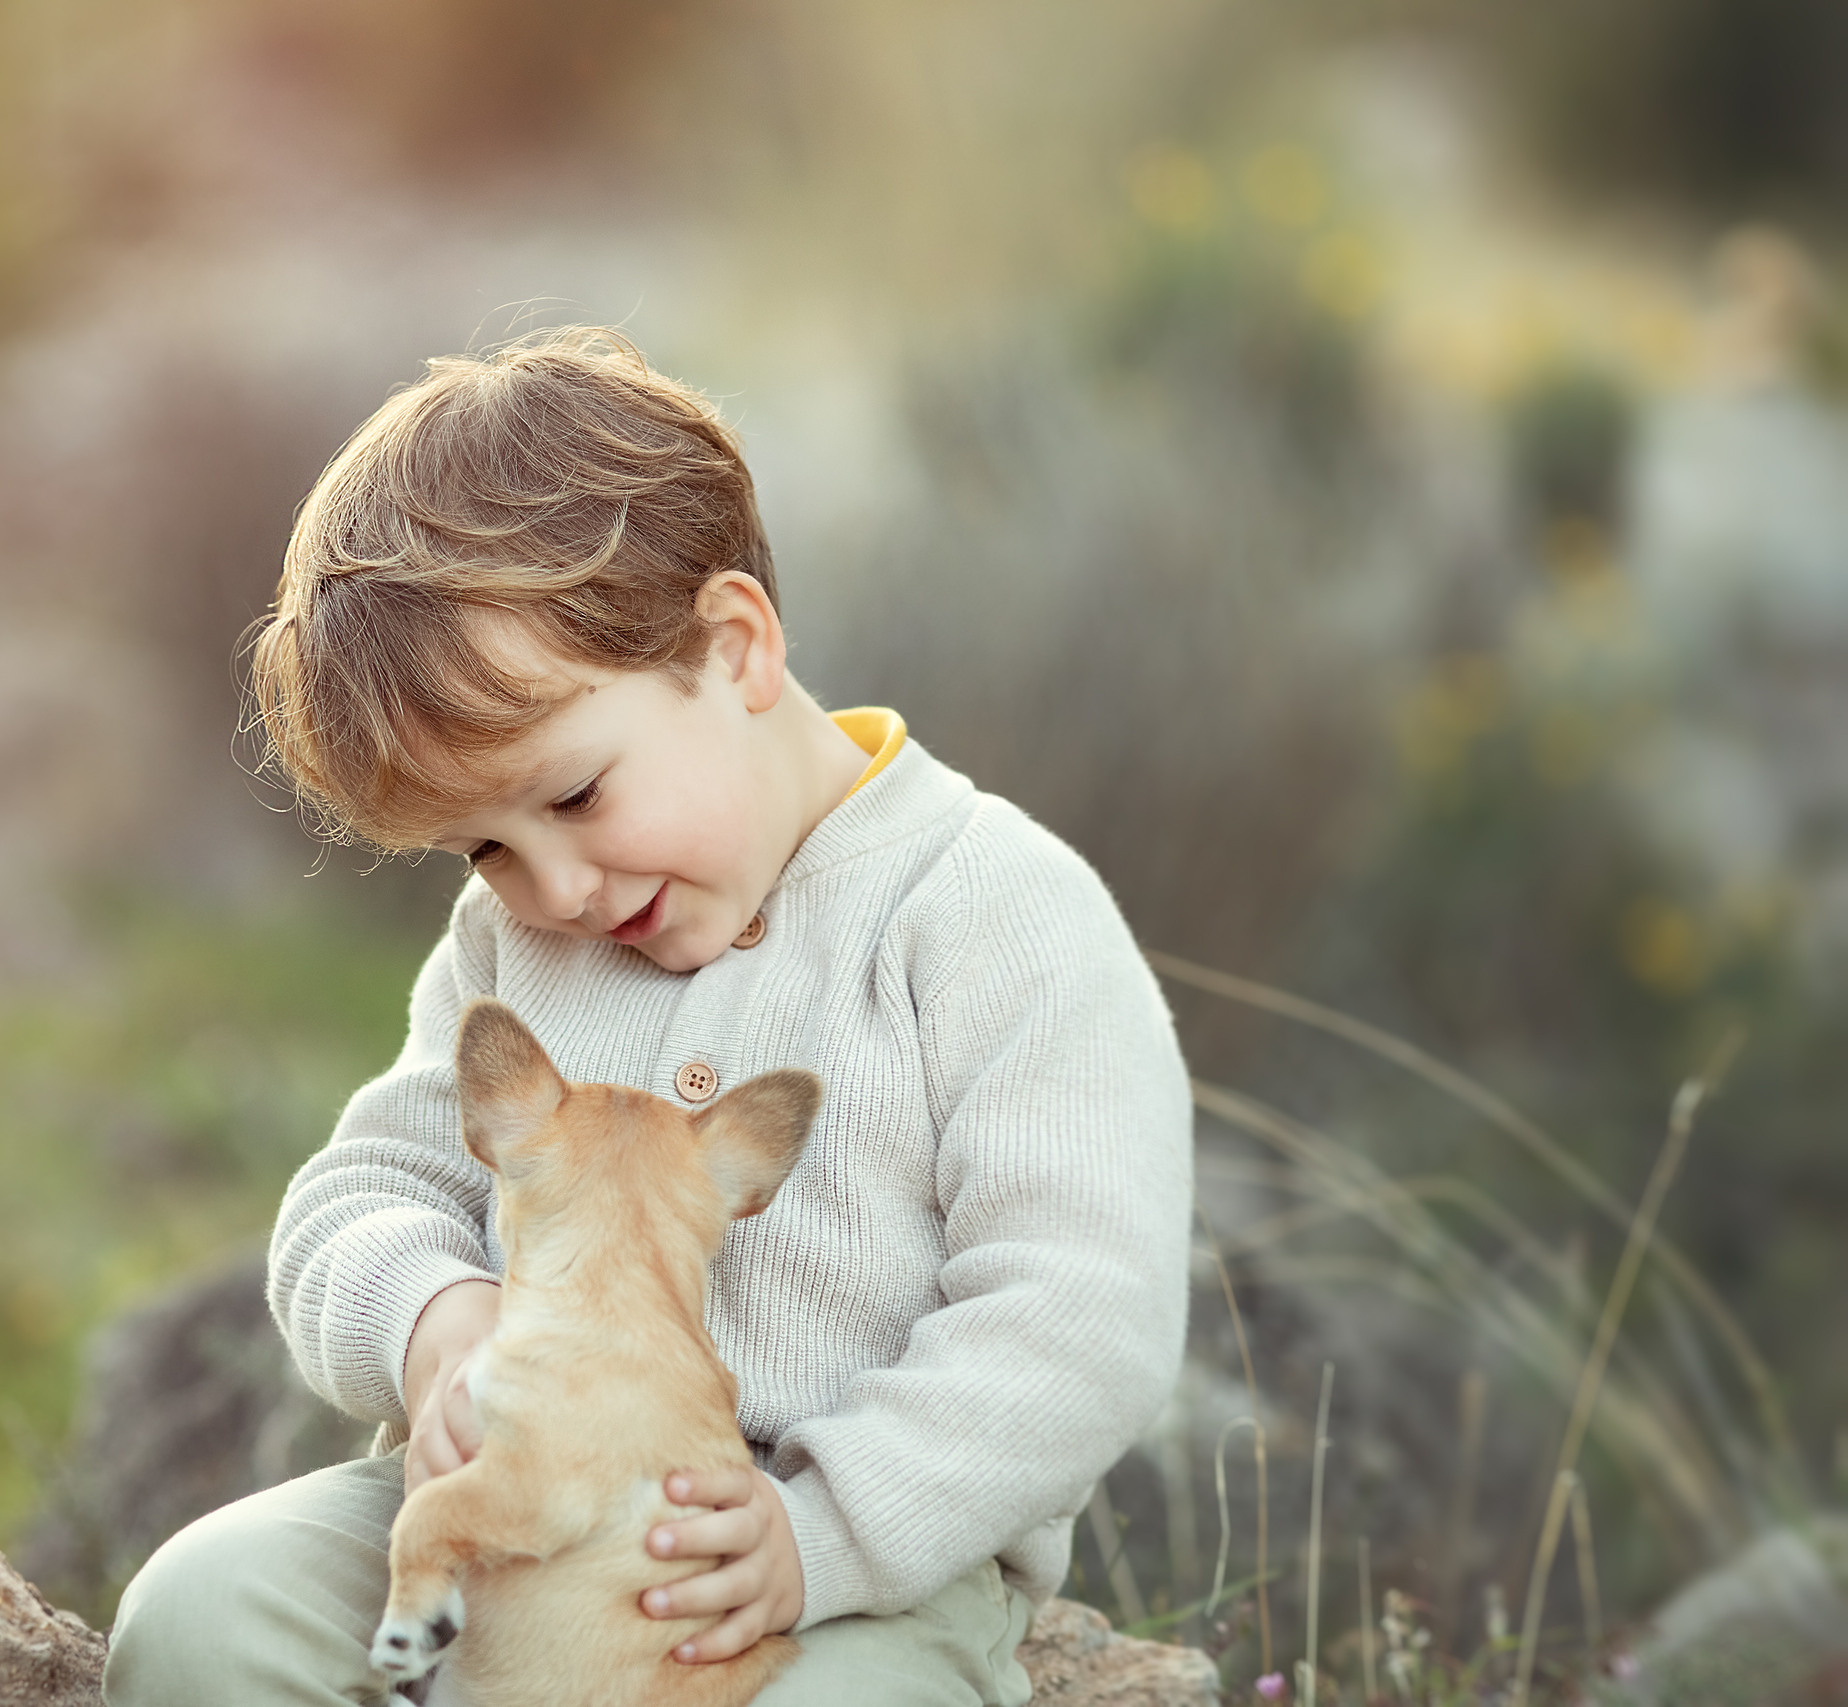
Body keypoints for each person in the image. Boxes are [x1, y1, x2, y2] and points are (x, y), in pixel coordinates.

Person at [103, 327, 1193, 1706]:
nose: (549, 887)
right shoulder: (518, 949)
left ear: (732, 647)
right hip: (513, 1512)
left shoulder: (992, 912)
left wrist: (827, 1531)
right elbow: (357, 1196)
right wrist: (440, 1325)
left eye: (572, 798)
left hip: (816, 1582)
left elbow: (1081, 1312)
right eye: (482, 851)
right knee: (204, 1616)